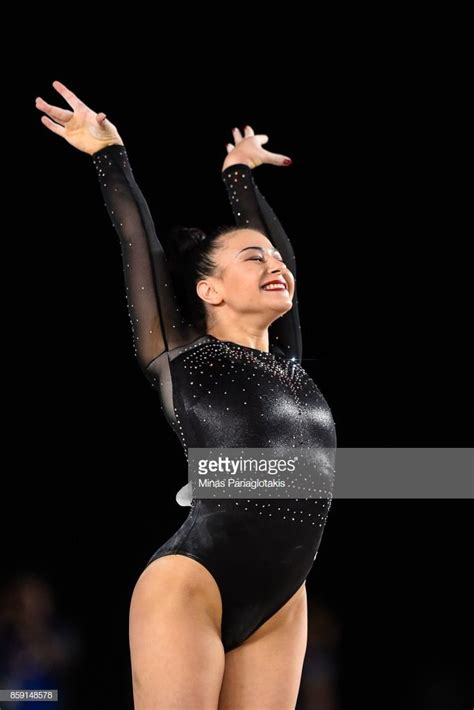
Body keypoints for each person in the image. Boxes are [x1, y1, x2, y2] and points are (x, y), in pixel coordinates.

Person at [35, 80, 337, 710]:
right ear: (210, 291)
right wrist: (108, 154)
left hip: (284, 596)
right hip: (192, 583)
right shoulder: (179, 356)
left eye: (278, 259)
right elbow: (136, 244)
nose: (276, 264)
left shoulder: (289, 363)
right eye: (255, 258)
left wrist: (238, 176)